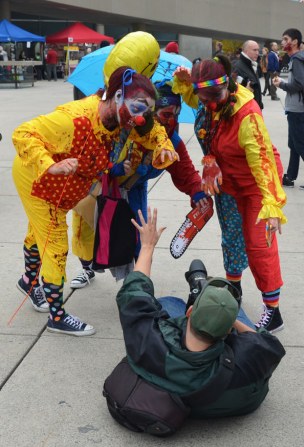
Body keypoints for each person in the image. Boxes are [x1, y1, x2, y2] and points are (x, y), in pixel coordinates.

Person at [12, 67, 177, 336]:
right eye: (137, 108)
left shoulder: (119, 121)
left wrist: (163, 146)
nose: (139, 118)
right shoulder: (74, 120)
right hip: (37, 179)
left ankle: (28, 281)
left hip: (66, 186)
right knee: (55, 243)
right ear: (118, 95)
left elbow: (151, 130)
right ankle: (57, 316)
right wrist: (48, 165)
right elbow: (23, 133)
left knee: (37, 232)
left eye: (145, 111)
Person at [115, 207, 285, 419]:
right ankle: (209, 295)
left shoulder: (149, 341)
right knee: (231, 305)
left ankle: (201, 292)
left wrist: (148, 245)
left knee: (168, 302)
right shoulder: (249, 357)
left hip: (181, 354)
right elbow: (267, 345)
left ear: (190, 312)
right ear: (228, 336)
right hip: (222, 395)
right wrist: (231, 319)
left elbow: (135, 292)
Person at [173, 55, 287, 333]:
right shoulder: (208, 99)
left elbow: (263, 163)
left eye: (215, 96)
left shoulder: (247, 115)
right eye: (204, 97)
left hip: (256, 185)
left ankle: (273, 312)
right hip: (227, 182)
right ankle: (234, 290)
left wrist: (272, 206)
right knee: (231, 239)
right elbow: (193, 101)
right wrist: (185, 82)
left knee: (259, 245)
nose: (209, 103)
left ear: (229, 85)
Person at [69, 80, 208, 289]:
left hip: (134, 188)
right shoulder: (127, 128)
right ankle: (87, 267)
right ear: (152, 111)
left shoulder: (173, 141)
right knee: (90, 231)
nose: (171, 121)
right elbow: (90, 155)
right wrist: (109, 168)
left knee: (137, 234)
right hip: (101, 184)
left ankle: (136, 284)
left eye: (176, 115)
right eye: (166, 115)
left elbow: (186, 172)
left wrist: (197, 193)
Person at [272, 28, 304, 191]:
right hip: (297, 106)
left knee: (299, 144)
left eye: (285, 39)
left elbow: (298, 85)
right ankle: (290, 176)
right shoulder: (300, 58)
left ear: (294, 42)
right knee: (293, 143)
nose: (282, 42)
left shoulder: (297, 60)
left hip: (297, 108)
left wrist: (281, 84)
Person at [233, 40, 264, 109]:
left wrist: (260, 105)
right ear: (246, 51)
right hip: (247, 111)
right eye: (254, 50)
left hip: (254, 109)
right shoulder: (238, 67)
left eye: (258, 50)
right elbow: (234, 94)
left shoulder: (252, 64)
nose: (257, 53)